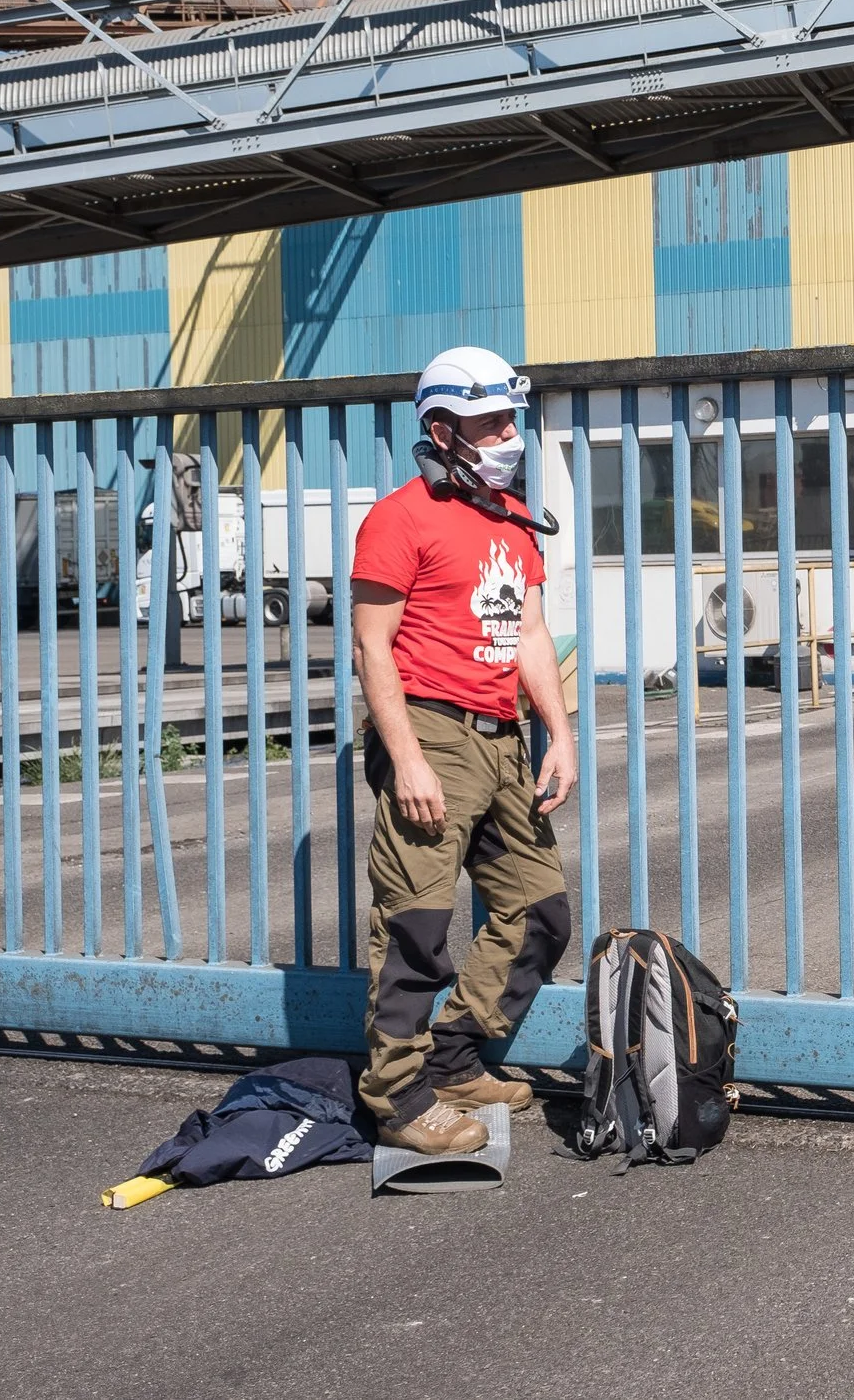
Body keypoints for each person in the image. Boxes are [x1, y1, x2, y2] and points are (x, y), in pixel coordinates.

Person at [350, 346, 575, 1155]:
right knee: (416, 921)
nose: (509, 435)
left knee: (541, 908)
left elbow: (533, 634)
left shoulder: (510, 521)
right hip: (430, 729)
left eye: (511, 419)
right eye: (489, 423)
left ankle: (452, 1055)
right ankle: (399, 1096)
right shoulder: (399, 516)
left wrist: (560, 732)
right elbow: (374, 648)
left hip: (502, 739)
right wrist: (406, 757)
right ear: (441, 430)